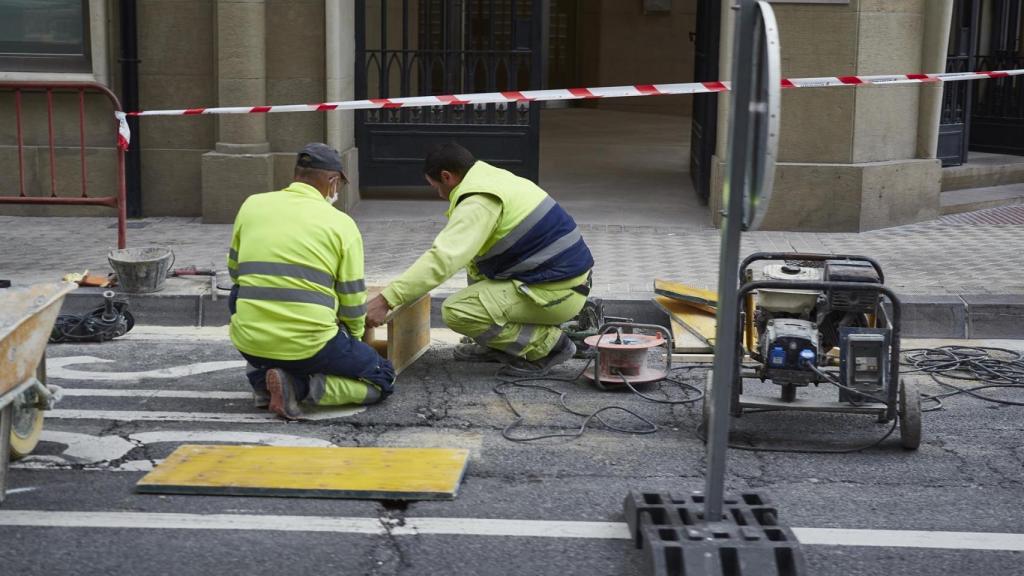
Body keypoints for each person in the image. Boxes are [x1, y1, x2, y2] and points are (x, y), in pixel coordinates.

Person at [365, 142, 593, 373]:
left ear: (447, 177)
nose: (439, 194)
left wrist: (386, 300)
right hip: (559, 282)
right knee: (475, 266)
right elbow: (464, 258)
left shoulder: (479, 201)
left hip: (556, 293)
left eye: (436, 186)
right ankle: (501, 345)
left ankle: (550, 345)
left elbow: (443, 259)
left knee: (457, 311)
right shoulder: (493, 178)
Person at [227, 143, 395, 420]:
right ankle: (299, 387)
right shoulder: (341, 224)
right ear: (332, 181)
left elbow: (235, 272)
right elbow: (352, 300)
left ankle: (262, 381)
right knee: (383, 377)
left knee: (239, 292)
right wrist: (353, 340)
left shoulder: (252, 205)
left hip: (250, 342)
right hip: (311, 346)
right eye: (339, 183)